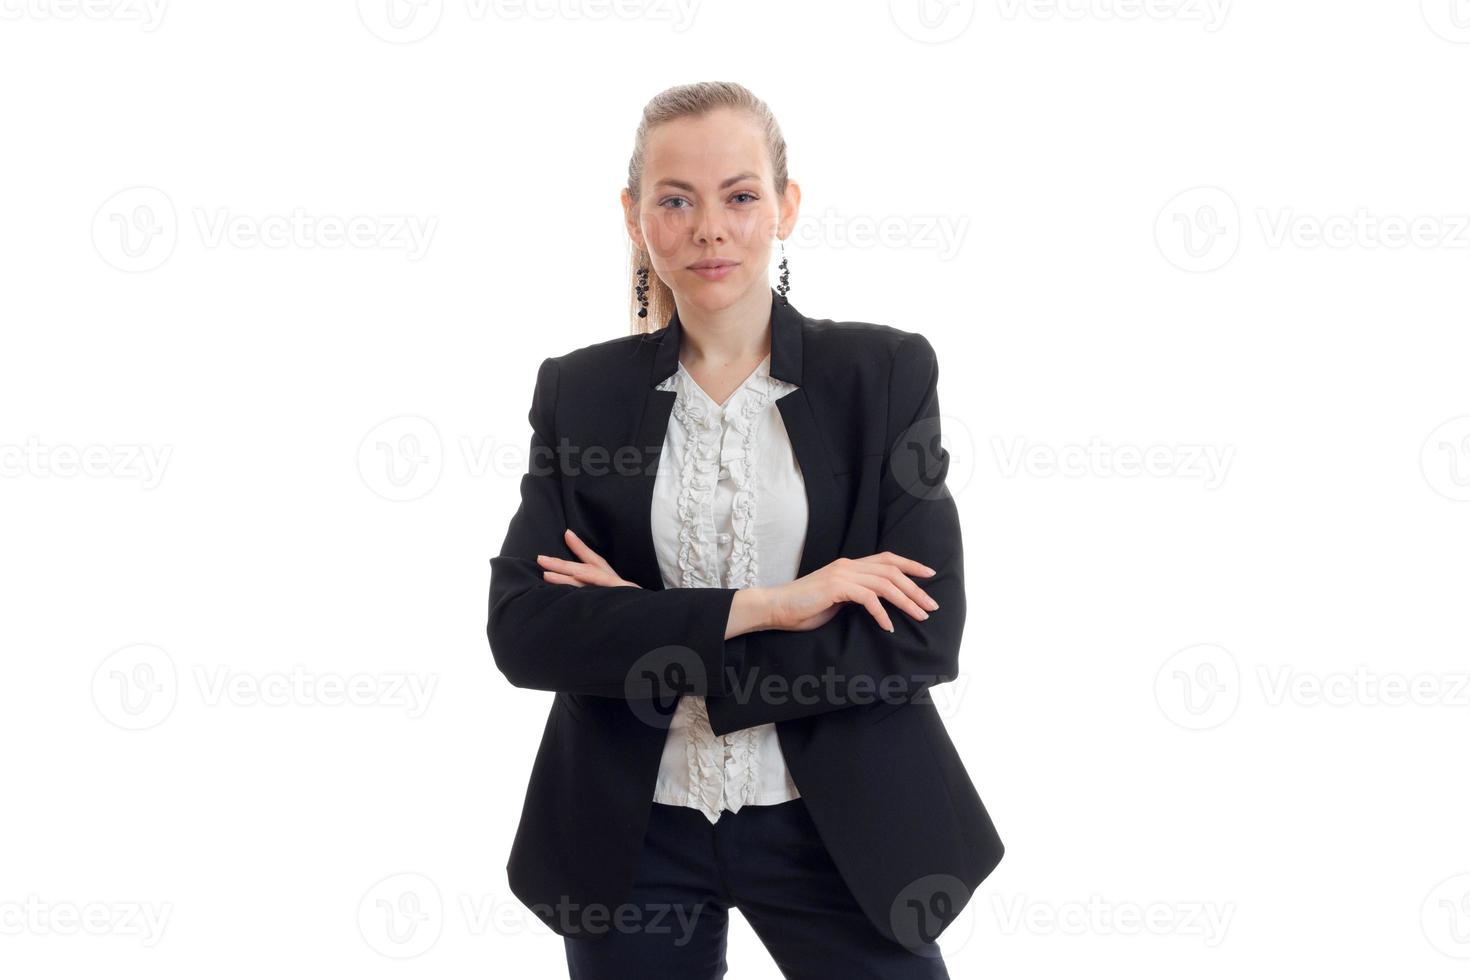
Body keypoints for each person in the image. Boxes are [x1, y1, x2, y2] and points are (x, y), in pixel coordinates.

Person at [487, 80, 1003, 979]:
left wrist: (646, 628)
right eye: (675, 200)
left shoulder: (881, 374)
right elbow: (527, 633)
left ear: (786, 207)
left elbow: (921, 632)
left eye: (740, 195)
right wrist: (771, 605)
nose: (710, 229)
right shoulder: (581, 393)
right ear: (633, 216)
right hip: (631, 831)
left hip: (834, 821)